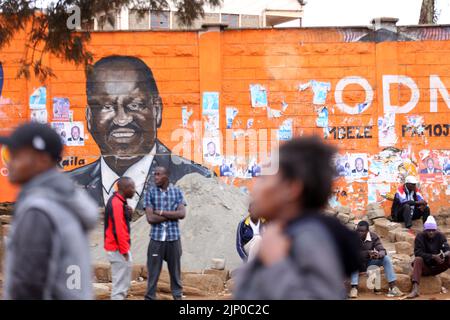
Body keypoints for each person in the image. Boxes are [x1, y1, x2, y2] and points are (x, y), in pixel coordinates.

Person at [68, 56, 211, 210]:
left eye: (135, 105)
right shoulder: (65, 188)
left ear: (157, 111)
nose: (121, 119)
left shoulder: (199, 181)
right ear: (89, 118)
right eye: (107, 106)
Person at [234, 136, 361, 300]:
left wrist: (276, 263)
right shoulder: (279, 234)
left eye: (264, 178)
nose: (254, 186)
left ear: (291, 188)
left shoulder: (310, 239)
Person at [0, 122, 97, 299]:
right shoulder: (66, 200)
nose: (9, 162)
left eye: (15, 156)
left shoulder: (39, 210)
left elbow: (28, 286)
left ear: (42, 160)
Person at [144, 166, 186, 300]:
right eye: (154, 174)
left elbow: (182, 214)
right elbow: (150, 218)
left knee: (175, 273)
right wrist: (172, 215)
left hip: (173, 239)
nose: (155, 177)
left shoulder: (177, 192)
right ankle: (150, 297)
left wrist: (160, 212)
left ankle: (177, 297)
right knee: (153, 274)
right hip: (156, 239)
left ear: (166, 176)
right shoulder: (150, 193)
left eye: (158, 174)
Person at [349, 221, 403, 298]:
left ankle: (393, 287)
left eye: (362, 231)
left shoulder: (373, 236)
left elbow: (382, 249)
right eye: (358, 230)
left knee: (386, 259)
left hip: (368, 264)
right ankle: (354, 288)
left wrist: (379, 254)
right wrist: (368, 253)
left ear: (367, 231)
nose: (359, 233)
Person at [104, 176, 136, 300]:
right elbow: (119, 229)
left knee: (122, 284)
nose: (134, 190)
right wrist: (124, 251)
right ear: (124, 188)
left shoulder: (119, 201)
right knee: (120, 287)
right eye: (132, 187)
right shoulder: (117, 203)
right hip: (118, 249)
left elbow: (121, 223)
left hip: (118, 248)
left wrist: (129, 215)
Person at [407, 216, 450, 299]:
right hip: (425, 268)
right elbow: (417, 253)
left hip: (438, 267)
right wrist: (433, 256)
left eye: (433, 230)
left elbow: (448, 250)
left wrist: (443, 255)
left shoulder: (440, 236)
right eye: (428, 230)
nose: (431, 232)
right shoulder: (420, 236)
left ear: (436, 230)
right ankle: (415, 289)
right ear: (425, 230)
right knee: (418, 259)